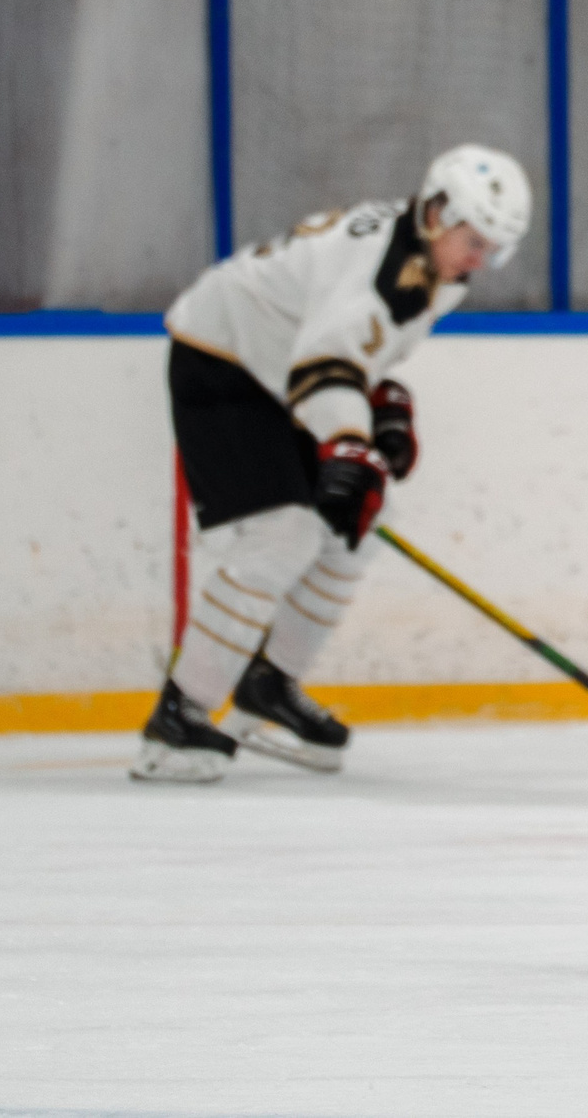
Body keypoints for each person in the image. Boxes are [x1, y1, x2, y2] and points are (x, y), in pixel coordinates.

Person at [129, 145, 533, 785]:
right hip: (223, 363)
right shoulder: (387, 271)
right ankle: (180, 714)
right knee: (281, 535)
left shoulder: (432, 261)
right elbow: (327, 362)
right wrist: (349, 440)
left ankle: (269, 683)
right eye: (476, 241)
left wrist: (383, 407)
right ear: (438, 212)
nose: (480, 260)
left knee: (359, 521)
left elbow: (348, 350)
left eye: (494, 249)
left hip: (278, 366)